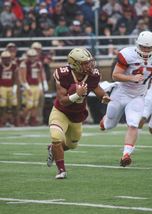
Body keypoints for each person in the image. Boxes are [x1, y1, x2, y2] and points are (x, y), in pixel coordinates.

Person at [100, 31, 152, 167]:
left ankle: (126, 154)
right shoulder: (127, 55)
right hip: (121, 92)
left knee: (134, 123)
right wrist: (132, 78)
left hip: (138, 96)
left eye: (149, 47)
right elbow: (115, 75)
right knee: (109, 125)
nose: (146, 50)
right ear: (137, 45)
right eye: (143, 47)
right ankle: (105, 120)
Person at [46, 48, 112, 179]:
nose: (90, 66)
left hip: (77, 114)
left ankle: (53, 149)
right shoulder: (62, 74)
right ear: (75, 64)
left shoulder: (93, 75)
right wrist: (77, 95)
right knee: (56, 137)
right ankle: (61, 170)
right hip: (61, 112)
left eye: (89, 62)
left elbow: (98, 91)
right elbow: (63, 101)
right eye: (86, 63)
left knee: (72, 144)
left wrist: (104, 97)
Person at [0, 51, 19, 127]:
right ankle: (0, 121)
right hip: (2, 87)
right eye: (5, 58)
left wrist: (15, 87)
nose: (6, 60)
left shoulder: (14, 65)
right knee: (1, 105)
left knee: (14, 105)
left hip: (11, 87)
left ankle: (16, 121)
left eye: (8, 58)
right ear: (1, 59)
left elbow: (15, 77)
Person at [20, 49, 43, 126]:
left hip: (36, 86)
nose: (32, 58)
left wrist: (40, 88)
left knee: (35, 105)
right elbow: (24, 77)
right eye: (30, 57)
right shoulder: (25, 64)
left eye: (33, 57)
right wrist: (27, 88)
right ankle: (22, 120)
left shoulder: (38, 64)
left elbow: (39, 77)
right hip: (29, 86)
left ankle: (32, 121)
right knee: (28, 105)